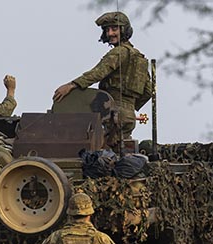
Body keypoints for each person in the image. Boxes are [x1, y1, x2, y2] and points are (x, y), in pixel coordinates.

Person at [52, 11, 152, 148]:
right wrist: (129, 107)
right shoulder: (139, 58)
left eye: (114, 29)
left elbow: (98, 73)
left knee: (100, 158)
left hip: (113, 114)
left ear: (124, 30)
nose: (110, 33)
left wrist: (72, 85)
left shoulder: (119, 52)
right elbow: (148, 91)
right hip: (128, 116)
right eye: (107, 30)